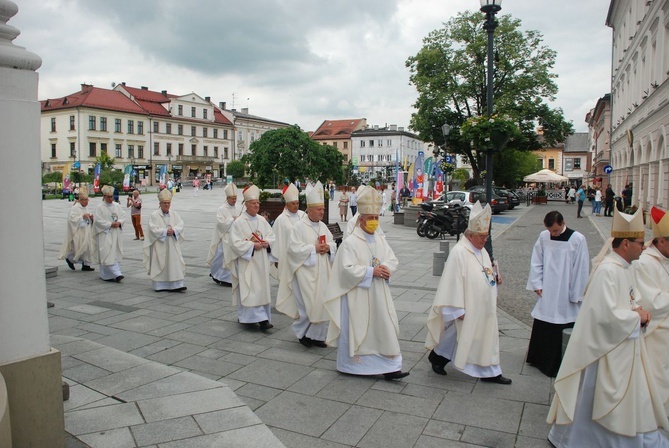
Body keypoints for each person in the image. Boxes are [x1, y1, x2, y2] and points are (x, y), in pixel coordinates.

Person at [547, 208, 669, 447]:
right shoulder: (607, 271)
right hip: (605, 352)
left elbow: (631, 300)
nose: (644, 248)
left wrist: (639, 311)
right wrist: (638, 318)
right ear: (625, 244)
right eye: (639, 243)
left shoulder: (624, 268)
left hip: (623, 347)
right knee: (597, 401)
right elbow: (605, 316)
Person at [323, 186, 409, 381]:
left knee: (384, 327)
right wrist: (372, 271)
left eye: (376, 218)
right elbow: (345, 269)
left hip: (379, 293)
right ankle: (352, 365)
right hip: (358, 296)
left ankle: (391, 366)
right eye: (369, 218)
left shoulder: (379, 239)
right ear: (360, 219)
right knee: (361, 330)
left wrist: (387, 268)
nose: (373, 222)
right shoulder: (351, 242)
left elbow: (391, 258)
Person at [425, 201, 511, 385]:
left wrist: (495, 278)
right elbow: (451, 282)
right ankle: (438, 358)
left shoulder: (481, 250)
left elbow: (485, 270)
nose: (484, 240)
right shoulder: (459, 252)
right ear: (470, 235)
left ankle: (490, 371)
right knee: (458, 335)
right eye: (481, 236)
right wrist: (456, 309)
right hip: (466, 304)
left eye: (486, 236)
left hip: (483, 304)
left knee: (480, 336)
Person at [525, 211, 589, 377]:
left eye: (555, 230)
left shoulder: (577, 239)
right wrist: (537, 284)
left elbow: (581, 268)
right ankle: (538, 358)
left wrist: (576, 294)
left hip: (566, 290)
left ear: (563, 223)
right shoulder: (544, 237)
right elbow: (536, 260)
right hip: (547, 288)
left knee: (563, 321)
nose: (552, 234)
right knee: (544, 319)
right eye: (550, 231)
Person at [276, 181, 336, 348]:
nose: (322, 212)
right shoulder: (299, 227)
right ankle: (303, 334)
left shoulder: (323, 226)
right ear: (309, 210)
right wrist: (314, 249)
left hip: (322, 272)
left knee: (322, 304)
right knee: (309, 306)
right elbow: (293, 250)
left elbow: (333, 244)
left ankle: (317, 336)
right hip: (305, 274)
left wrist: (328, 248)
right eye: (319, 209)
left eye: (323, 209)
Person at [632, 206, 669, 409]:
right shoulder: (645, 263)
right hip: (657, 333)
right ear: (661, 240)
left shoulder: (665, 258)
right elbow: (651, 303)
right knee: (656, 379)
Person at [226, 185, 276, 330]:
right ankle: (255, 318)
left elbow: (271, 236)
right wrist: (252, 246)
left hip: (261, 261)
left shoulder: (262, 220)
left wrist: (267, 243)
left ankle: (262, 317)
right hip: (247, 262)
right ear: (246, 204)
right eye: (253, 203)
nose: (256, 206)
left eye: (258, 203)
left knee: (261, 289)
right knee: (250, 288)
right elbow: (234, 243)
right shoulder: (239, 222)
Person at [143, 189, 186, 292]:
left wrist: (174, 230)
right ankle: (160, 285)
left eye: (168, 203)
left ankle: (176, 284)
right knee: (160, 262)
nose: (167, 205)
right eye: (164, 203)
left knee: (174, 262)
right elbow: (152, 229)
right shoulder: (154, 215)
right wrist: (165, 231)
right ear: (160, 203)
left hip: (172, 243)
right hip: (160, 245)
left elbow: (181, 224)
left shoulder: (174, 213)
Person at [207, 183, 241, 287]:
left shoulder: (238, 208)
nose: (234, 201)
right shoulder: (221, 209)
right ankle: (220, 276)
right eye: (232, 198)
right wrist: (232, 220)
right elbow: (220, 224)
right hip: (225, 236)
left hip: (236, 237)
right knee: (221, 257)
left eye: (235, 198)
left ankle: (230, 277)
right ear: (227, 198)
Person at [271, 183, 306, 283]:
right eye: (293, 204)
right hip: (287, 258)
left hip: (302, 257)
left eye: (297, 203)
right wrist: (277, 259)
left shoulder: (303, 215)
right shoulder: (281, 219)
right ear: (287, 204)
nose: (296, 206)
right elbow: (276, 239)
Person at [92, 185, 126, 282]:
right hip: (105, 234)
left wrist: (119, 222)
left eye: (112, 197)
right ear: (104, 197)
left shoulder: (117, 206)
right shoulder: (99, 207)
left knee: (114, 253)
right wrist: (110, 224)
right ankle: (116, 274)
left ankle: (114, 274)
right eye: (108, 197)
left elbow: (123, 216)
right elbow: (98, 221)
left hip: (115, 234)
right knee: (106, 253)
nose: (111, 199)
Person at [58, 185, 95, 272]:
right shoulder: (75, 208)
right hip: (78, 231)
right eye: (85, 200)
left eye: (87, 200)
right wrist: (82, 217)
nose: (86, 202)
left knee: (88, 247)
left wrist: (91, 218)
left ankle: (86, 265)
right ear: (80, 200)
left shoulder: (86, 207)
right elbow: (72, 219)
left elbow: (88, 217)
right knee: (77, 248)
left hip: (87, 230)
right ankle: (70, 259)